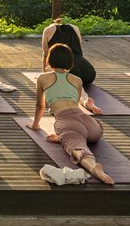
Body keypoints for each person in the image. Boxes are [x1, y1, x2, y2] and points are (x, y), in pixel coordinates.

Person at [29, 44, 115, 185]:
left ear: (49, 60)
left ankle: (93, 167)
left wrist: (35, 125)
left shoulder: (43, 78)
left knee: (76, 148)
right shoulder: (77, 80)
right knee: (81, 132)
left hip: (67, 121)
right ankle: (65, 136)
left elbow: (40, 105)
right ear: (70, 62)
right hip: (90, 126)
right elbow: (75, 102)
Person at [41, 16, 97, 87]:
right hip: (89, 74)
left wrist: (43, 74)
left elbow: (45, 54)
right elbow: (78, 49)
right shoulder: (75, 28)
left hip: (70, 74)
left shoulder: (48, 30)